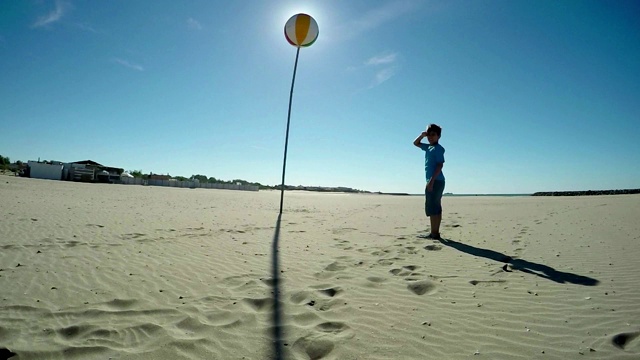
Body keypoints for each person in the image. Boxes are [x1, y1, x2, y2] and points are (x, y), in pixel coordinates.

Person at [413, 124, 445, 240]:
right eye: (429, 135)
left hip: (436, 181)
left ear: (438, 136)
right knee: (435, 207)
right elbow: (415, 143)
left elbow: (440, 165)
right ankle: (435, 232)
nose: (430, 137)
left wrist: (431, 181)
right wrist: (422, 136)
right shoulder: (428, 147)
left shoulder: (438, 148)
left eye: (433, 135)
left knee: (433, 207)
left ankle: (434, 233)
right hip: (434, 181)